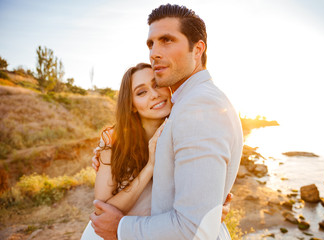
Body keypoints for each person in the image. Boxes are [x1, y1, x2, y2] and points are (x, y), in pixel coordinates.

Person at [90, 4, 243, 240]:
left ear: (197, 49)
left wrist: (120, 229)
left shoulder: (199, 106)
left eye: (167, 40)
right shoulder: (183, 106)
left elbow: (194, 229)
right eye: (151, 44)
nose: (154, 53)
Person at [82, 63, 233, 239]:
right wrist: (150, 167)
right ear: (131, 105)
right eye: (141, 92)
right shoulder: (114, 140)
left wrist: (209, 210)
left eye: (156, 85)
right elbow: (102, 211)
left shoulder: (184, 134)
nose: (154, 95)